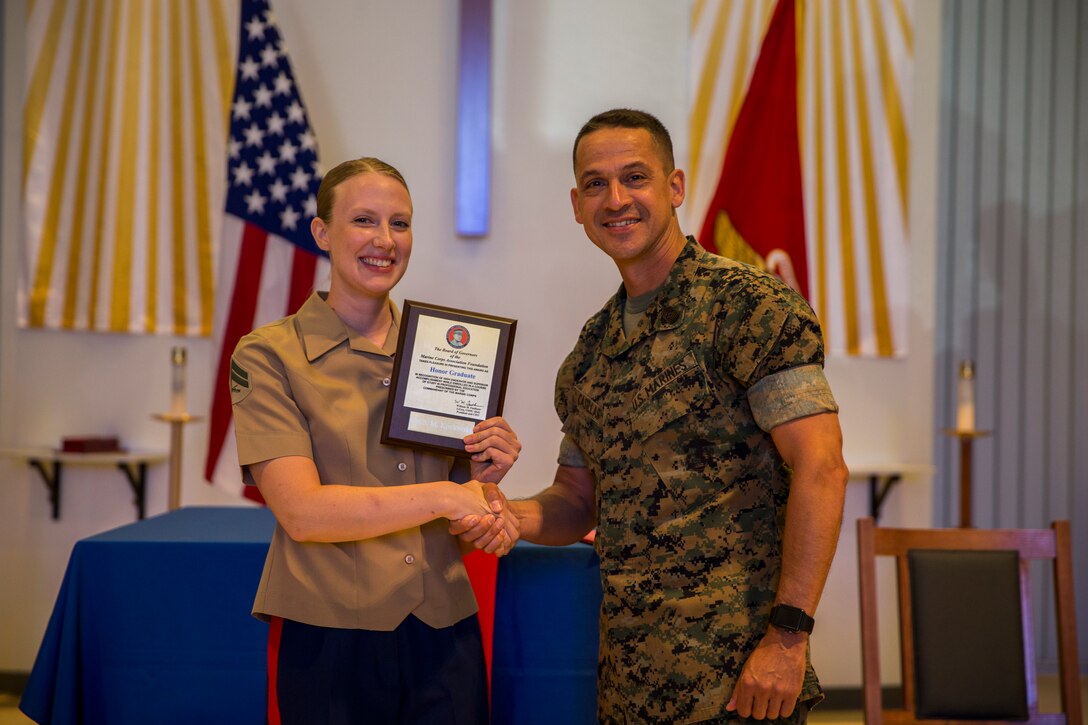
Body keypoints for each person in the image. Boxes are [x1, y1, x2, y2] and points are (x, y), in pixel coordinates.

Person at [455, 109, 848, 724]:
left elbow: (822, 467)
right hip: (630, 683)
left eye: (635, 177)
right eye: (595, 184)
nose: (616, 199)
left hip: (740, 682)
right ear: (576, 205)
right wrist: (505, 514)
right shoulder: (590, 354)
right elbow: (575, 500)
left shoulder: (750, 308)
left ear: (675, 186)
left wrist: (789, 638)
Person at [229, 157, 521, 724]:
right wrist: (446, 495)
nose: (384, 241)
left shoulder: (445, 349)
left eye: (400, 223)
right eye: (364, 220)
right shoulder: (269, 355)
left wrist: (485, 485)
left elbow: (461, 509)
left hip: (443, 627)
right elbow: (304, 513)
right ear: (322, 232)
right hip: (331, 632)